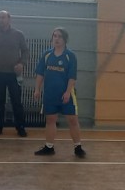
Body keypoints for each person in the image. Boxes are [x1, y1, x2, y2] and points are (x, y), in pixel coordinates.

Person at [33, 27, 86, 157]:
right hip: (50, 94)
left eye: (59, 36)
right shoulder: (46, 55)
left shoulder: (70, 56)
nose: (56, 39)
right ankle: (49, 147)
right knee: (50, 119)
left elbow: (72, 77)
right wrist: (37, 89)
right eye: (55, 36)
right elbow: (40, 73)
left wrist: (67, 92)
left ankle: (78, 147)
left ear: (65, 39)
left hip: (66, 94)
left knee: (72, 120)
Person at [0, 10, 29, 137]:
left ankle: (20, 127)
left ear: (9, 19)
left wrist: (22, 63)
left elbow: (25, 51)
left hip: (14, 74)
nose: (1, 20)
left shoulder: (18, 34)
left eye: (3, 17)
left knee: (16, 101)